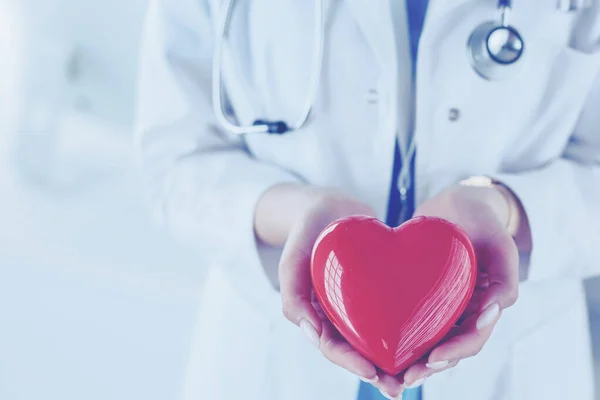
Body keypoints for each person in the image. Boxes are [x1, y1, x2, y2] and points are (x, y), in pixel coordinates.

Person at [134, 0, 600, 399]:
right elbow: (173, 161)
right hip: (270, 358)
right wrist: (295, 214)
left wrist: (505, 208)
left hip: (517, 361)